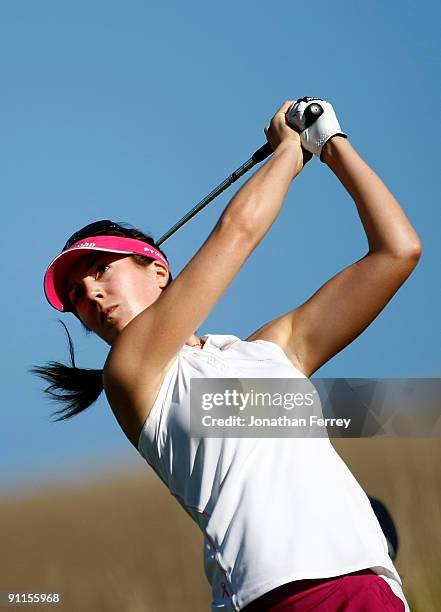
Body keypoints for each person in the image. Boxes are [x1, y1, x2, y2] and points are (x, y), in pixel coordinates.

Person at [36, 99, 421, 611]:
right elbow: (237, 233)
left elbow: (397, 251)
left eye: (101, 271)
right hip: (277, 597)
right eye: (79, 297)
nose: (92, 296)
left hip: (371, 585)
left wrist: (331, 143)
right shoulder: (130, 373)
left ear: (157, 270)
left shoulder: (269, 353)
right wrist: (289, 151)